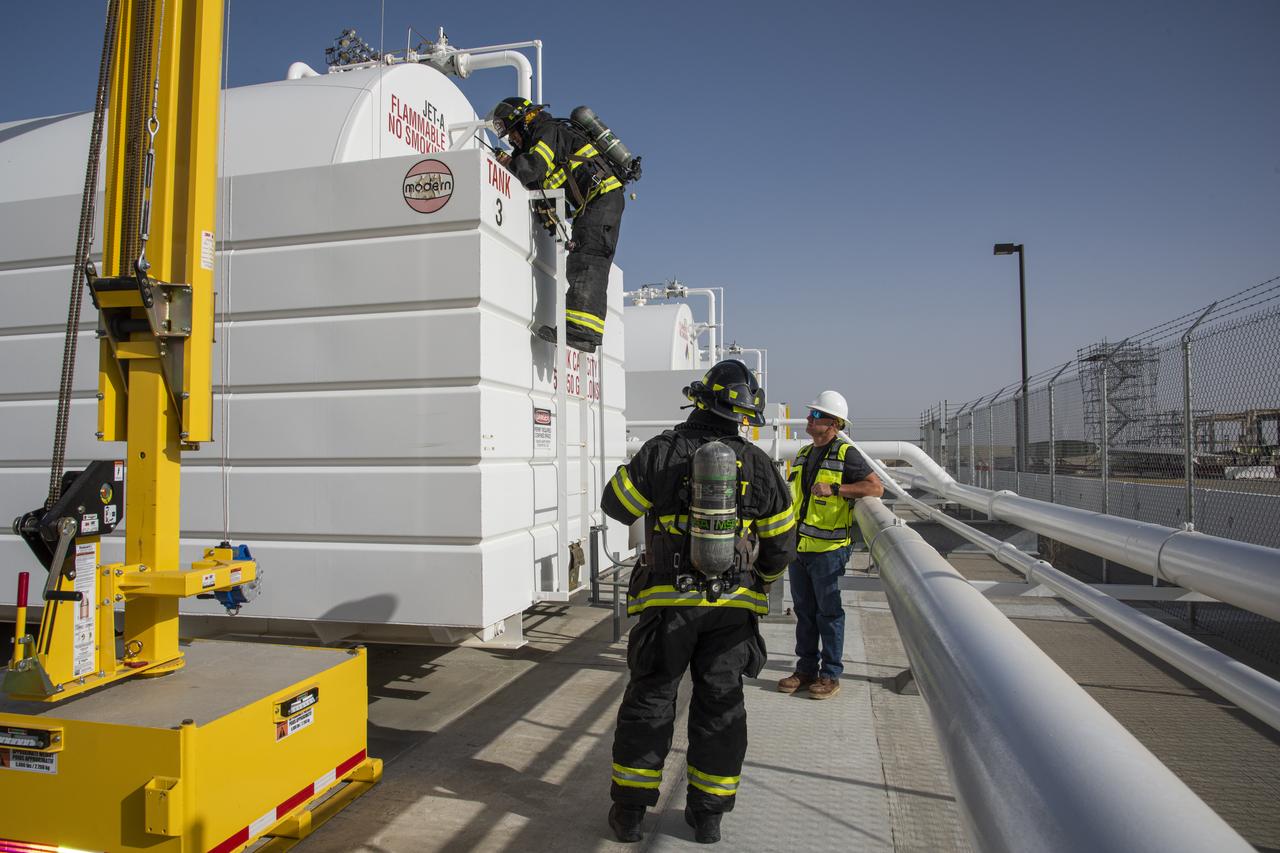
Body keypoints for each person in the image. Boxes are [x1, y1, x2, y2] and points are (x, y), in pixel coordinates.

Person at [601, 360, 797, 845]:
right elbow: (781, 544)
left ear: (699, 400)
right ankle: (707, 817)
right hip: (733, 611)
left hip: (668, 605)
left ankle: (629, 813)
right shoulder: (758, 464)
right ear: (744, 415)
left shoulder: (662, 451)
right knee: (720, 706)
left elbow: (615, 504)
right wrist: (763, 581)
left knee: (651, 699)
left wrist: (656, 475)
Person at [488, 96, 625, 353]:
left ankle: (581, 332)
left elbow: (533, 169)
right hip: (597, 202)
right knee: (586, 256)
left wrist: (510, 162)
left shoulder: (546, 131)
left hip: (602, 198)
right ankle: (583, 331)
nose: (511, 140)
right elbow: (543, 182)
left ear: (524, 123)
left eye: (513, 133)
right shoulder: (545, 136)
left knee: (587, 259)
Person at [777, 390, 883, 700]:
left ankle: (830, 674)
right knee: (805, 612)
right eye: (811, 415)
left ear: (833, 423)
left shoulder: (846, 453)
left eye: (816, 415)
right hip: (801, 548)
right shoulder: (805, 454)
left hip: (829, 551)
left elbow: (875, 487)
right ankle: (806, 670)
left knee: (829, 614)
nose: (809, 419)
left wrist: (837, 488)